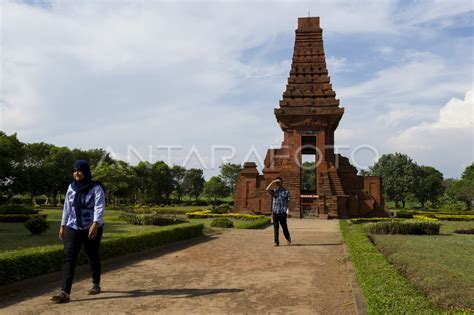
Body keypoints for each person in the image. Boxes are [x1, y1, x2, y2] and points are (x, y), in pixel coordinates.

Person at [51, 160, 106, 303]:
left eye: (80, 170)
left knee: (92, 255)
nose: (77, 172)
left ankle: (96, 284)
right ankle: (65, 292)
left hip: (91, 228)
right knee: (69, 257)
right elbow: (67, 207)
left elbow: (99, 206)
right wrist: (63, 225)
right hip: (73, 227)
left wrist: (95, 223)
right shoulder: (71, 187)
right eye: (75, 170)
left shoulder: (96, 188)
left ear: (86, 172)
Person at [266, 177, 291, 246]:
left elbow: (288, 201)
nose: (278, 183)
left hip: (282, 212)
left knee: (284, 227)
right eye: (277, 182)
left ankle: (288, 237)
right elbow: (267, 189)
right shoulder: (274, 191)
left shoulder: (286, 191)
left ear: (282, 182)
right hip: (275, 212)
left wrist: (287, 209)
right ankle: (276, 242)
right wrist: (272, 182)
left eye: (279, 182)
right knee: (276, 227)